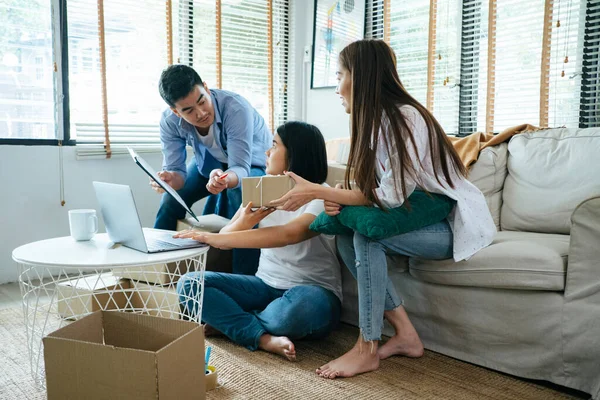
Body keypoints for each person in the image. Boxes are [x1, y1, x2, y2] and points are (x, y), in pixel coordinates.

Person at [270, 40, 496, 378]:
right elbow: (375, 190)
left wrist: (318, 190)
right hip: (415, 219)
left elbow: (389, 197)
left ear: (361, 77)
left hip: (450, 225)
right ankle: (406, 335)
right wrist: (339, 194)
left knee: (365, 237)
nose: (337, 88)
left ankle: (367, 347)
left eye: (340, 75)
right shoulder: (374, 123)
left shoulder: (405, 118)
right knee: (348, 237)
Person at [175, 121, 343, 361]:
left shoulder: (321, 195)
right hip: (264, 285)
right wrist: (243, 221)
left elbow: (288, 234)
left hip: (312, 291)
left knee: (294, 313)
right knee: (190, 284)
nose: (266, 152)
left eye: (274, 145)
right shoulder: (263, 188)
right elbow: (226, 239)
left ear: (295, 154)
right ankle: (261, 337)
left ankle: (234, 322)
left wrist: (210, 237)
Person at [152, 65, 272, 274]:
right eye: (188, 110)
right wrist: (169, 179)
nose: (200, 113)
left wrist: (224, 179)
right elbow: (177, 175)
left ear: (206, 88)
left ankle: (244, 276)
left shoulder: (235, 108)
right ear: (175, 111)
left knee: (244, 195)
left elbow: (240, 168)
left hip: (251, 164)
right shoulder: (169, 122)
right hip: (211, 163)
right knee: (171, 199)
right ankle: (156, 268)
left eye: (202, 101)